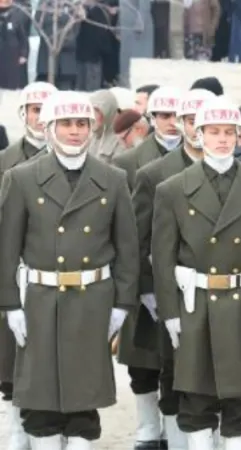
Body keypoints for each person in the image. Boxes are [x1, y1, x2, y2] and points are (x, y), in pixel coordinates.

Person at [0, 90, 139, 448]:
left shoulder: (113, 178)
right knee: (41, 396)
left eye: (81, 124)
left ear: (93, 129)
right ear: (48, 128)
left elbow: (127, 248)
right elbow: (6, 247)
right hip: (40, 299)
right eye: (66, 124)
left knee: (84, 396)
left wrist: (123, 304)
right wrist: (10, 305)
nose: (74, 131)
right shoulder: (21, 178)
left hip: (92, 298)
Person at [151, 95, 241, 450]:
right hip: (195, 303)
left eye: (229, 132)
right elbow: (162, 258)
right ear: (199, 134)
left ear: (240, 135)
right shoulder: (172, 190)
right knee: (196, 394)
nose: (222, 139)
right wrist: (170, 313)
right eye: (213, 131)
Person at [129, 88, 215, 450]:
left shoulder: (234, 168)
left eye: (203, 121)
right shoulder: (153, 174)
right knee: (173, 372)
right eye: (190, 121)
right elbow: (140, 238)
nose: (197, 129)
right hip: (174, 291)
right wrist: (149, 289)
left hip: (222, 290)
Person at [112, 86, 184, 450]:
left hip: (183, 272)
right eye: (164, 116)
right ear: (151, 119)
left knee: (177, 358)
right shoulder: (128, 163)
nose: (171, 124)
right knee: (141, 359)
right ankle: (146, 426)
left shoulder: (197, 157)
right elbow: (128, 230)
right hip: (145, 272)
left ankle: (175, 429)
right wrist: (140, 283)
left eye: (177, 115)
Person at [0, 80, 57, 450]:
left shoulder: (79, 161)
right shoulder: (4, 162)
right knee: (9, 360)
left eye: (45, 109)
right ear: (23, 114)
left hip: (57, 274)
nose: (39, 117)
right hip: (15, 274)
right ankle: (16, 431)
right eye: (33, 110)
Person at [88, 90, 126, 162]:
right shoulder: (91, 136)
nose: (92, 117)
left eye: (96, 111)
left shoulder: (122, 139)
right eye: (90, 111)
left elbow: (118, 171)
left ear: (108, 112)